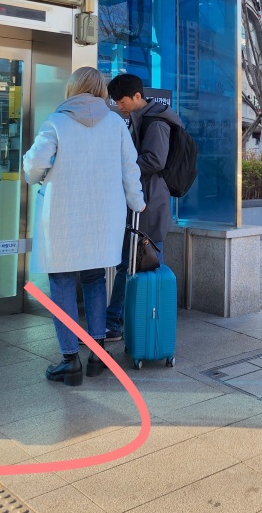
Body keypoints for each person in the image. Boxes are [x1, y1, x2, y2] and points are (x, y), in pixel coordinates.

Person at [23, 67, 145, 386]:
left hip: (62, 215)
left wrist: (37, 177)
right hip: (104, 217)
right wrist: (137, 203)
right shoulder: (116, 125)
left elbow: (34, 165)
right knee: (94, 279)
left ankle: (69, 361)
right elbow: (130, 169)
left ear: (73, 88)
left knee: (61, 281)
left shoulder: (57, 121)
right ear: (100, 91)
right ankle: (97, 355)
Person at [104, 74, 186, 342]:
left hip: (149, 205)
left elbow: (155, 160)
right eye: (115, 101)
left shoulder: (156, 121)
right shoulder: (143, 118)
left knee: (149, 264)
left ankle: (149, 325)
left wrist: (122, 166)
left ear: (137, 96)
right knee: (129, 264)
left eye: (122, 100)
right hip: (142, 202)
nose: (118, 105)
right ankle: (119, 321)